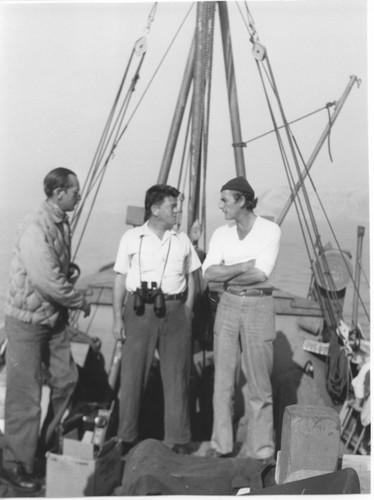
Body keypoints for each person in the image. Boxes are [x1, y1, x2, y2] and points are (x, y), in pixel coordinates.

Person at [1, 168, 91, 493]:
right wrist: (78, 299)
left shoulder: (59, 221)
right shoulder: (36, 227)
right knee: (25, 399)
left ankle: (38, 449)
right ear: (58, 194)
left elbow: (54, 272)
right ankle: (15, 463)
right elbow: (47, 280)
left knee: (66, 379)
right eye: (74, 191)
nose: (78, 196)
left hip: (52, 320)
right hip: (26, 322)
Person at [112, 184, 201, 455]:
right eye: (172, 206)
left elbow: (192, 277)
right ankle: (126, 438)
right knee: (132, 377)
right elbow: (120, 278)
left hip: (175, 313)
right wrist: (117, 317)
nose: (176, 211)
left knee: (177, 377)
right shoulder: (132, 238)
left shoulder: (181, 240)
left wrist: (187, 308)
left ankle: (178, 440)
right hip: (139, 312)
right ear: (154, 209)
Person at [201, 176, 281, 462]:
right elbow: (208, 272)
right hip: (227, 304)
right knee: (222, 379)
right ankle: (221, 445)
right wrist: (244, 265)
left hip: (259, 305)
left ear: (243, 201)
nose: (220, 205)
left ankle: (261, 450)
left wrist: (230, 271)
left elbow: (261, 274)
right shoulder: (222, 234)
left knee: (259, 384)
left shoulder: (270, 230)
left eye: (225, 200)